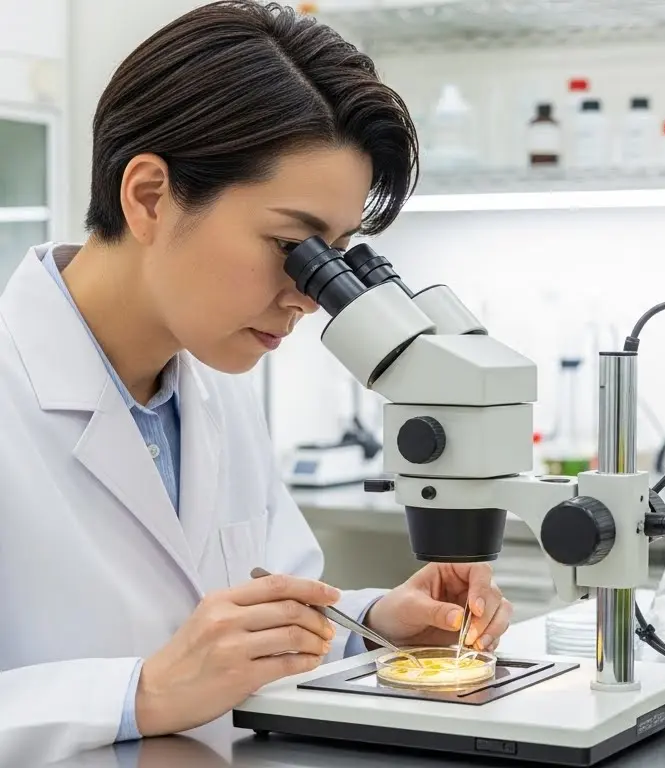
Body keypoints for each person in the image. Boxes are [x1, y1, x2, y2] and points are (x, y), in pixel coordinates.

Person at [0, 3, 515, 764]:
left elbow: (264, 612)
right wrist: (139, 692)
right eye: (290, 244)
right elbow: (173, 673)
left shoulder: (217, 391)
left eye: (334, 256)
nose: (310, 294)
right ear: (149, 196)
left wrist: (375, 624)